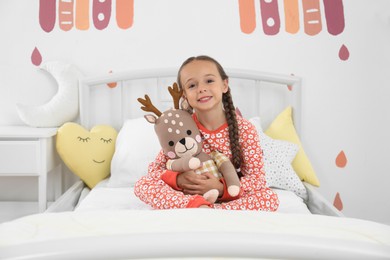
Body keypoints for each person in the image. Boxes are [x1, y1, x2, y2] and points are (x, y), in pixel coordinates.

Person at [134, 55, 279, 210]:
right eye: (192, 85)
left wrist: (221, 187)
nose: (201, 89)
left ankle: (212, 211)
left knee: (269, 198)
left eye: (209, 81)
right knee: (142, 184)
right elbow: (155, 170)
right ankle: (196, 205)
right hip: (189, 194)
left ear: (224, 85)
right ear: (185, 96)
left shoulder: (245, 129)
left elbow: (257, 180)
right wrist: (179, 180)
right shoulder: (182, 125)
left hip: (227, 195)